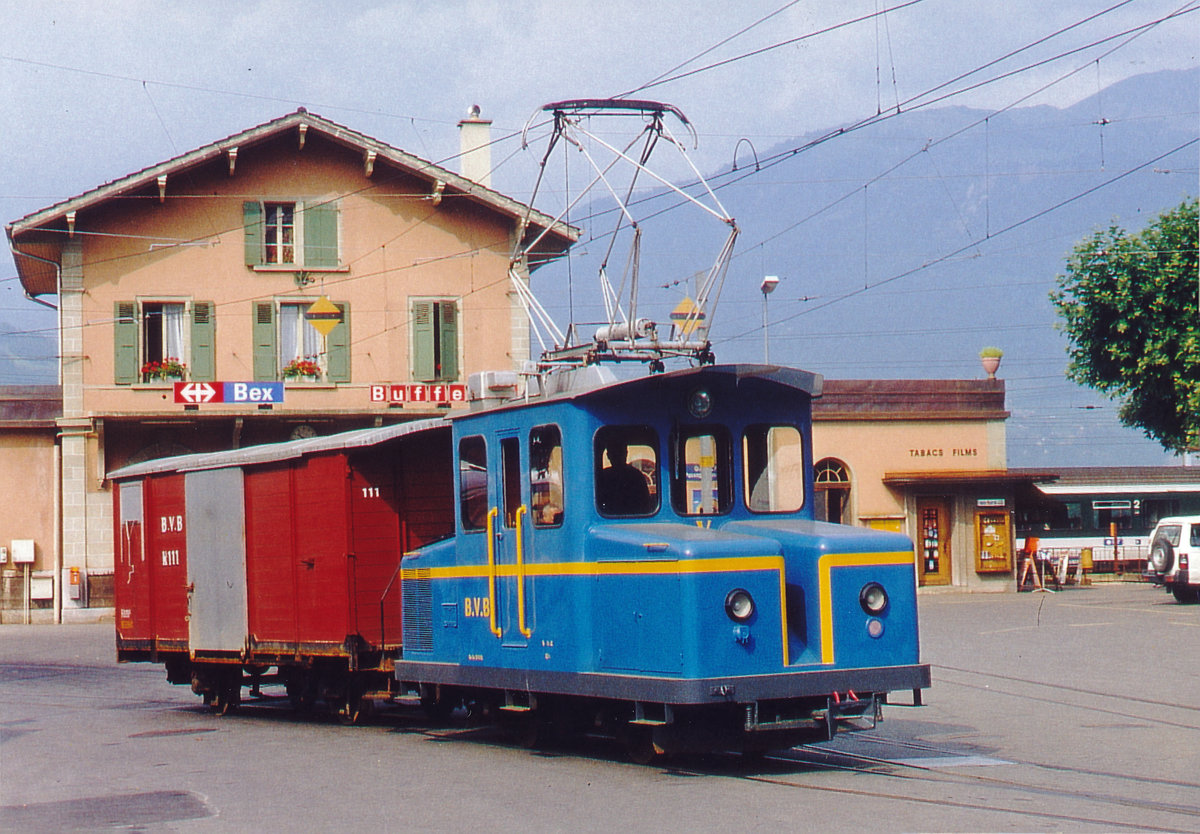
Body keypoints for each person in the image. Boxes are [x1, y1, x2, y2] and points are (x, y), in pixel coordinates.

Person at [596, 436, 651, 515]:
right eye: (614, 453)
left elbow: (645, 504)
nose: (617, 456)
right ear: (608, 455)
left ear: (626, 453)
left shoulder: (636, 476)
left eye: (620, 452)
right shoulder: (603, 476)